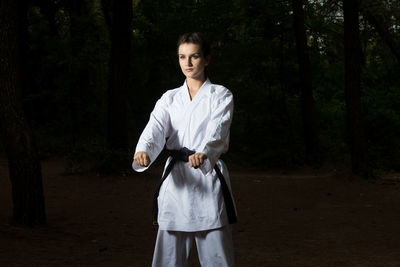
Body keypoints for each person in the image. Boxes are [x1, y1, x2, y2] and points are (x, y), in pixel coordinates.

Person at [132, 32, 236, 267]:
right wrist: (144, 149)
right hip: (176, 181)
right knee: (168, 257)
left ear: (207, 59)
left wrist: (205, 152)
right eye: (182, 57)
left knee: (216, 255)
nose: (187, 63)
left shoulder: (221, 95)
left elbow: (218, 131)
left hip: (206, 178)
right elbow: (155, 128)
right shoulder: (170, 98)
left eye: (194, 56)